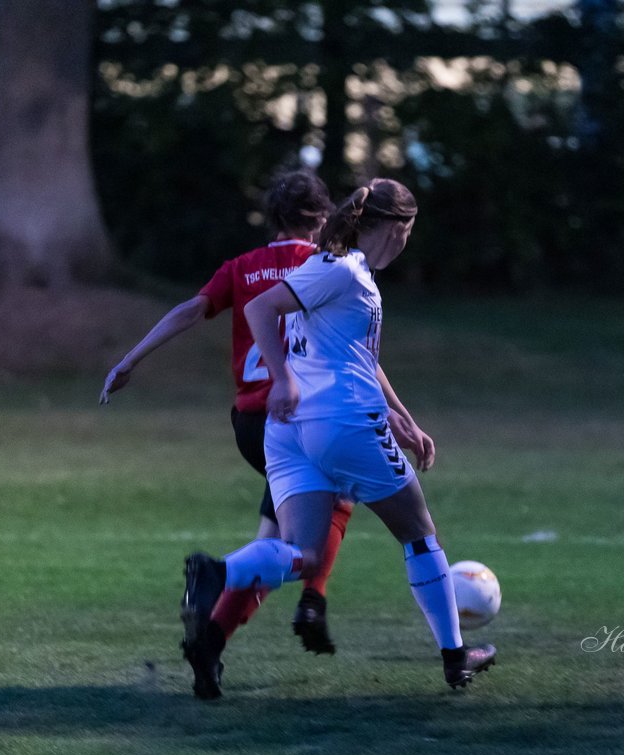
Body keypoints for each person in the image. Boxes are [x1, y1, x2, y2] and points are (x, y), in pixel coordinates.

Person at [100, 170, 434, 699]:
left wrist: (130, 359)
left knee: (276, 538)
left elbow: (191, 310)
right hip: (300, 415)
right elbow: (358, 355)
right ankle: (308, 601)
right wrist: (394, 411)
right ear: (326, 217)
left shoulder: (242, 267)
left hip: (249, 423)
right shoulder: (326, 264)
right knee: (322, 512)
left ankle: (212, 640)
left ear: (271, 221)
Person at [180, 178, 496, 693]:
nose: (408, 242)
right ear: (396, 227)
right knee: (419, 533)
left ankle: (219, 571)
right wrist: (281, 378)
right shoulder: (344, 269)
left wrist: (402, 416)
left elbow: (359, 358)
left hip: (292, 432)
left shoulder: (340, 270)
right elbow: (260, 310)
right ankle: (456, 658)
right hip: (342, 423)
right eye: (409, 231)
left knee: (301, 553)